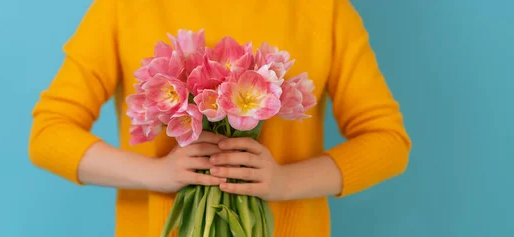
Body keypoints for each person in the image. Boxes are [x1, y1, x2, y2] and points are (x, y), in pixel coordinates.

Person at [28, 0, 412, 236]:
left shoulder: (323, 9)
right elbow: (49, 134)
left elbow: (387, 141)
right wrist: (158, 174)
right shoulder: (123, 7)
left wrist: (282, 182)